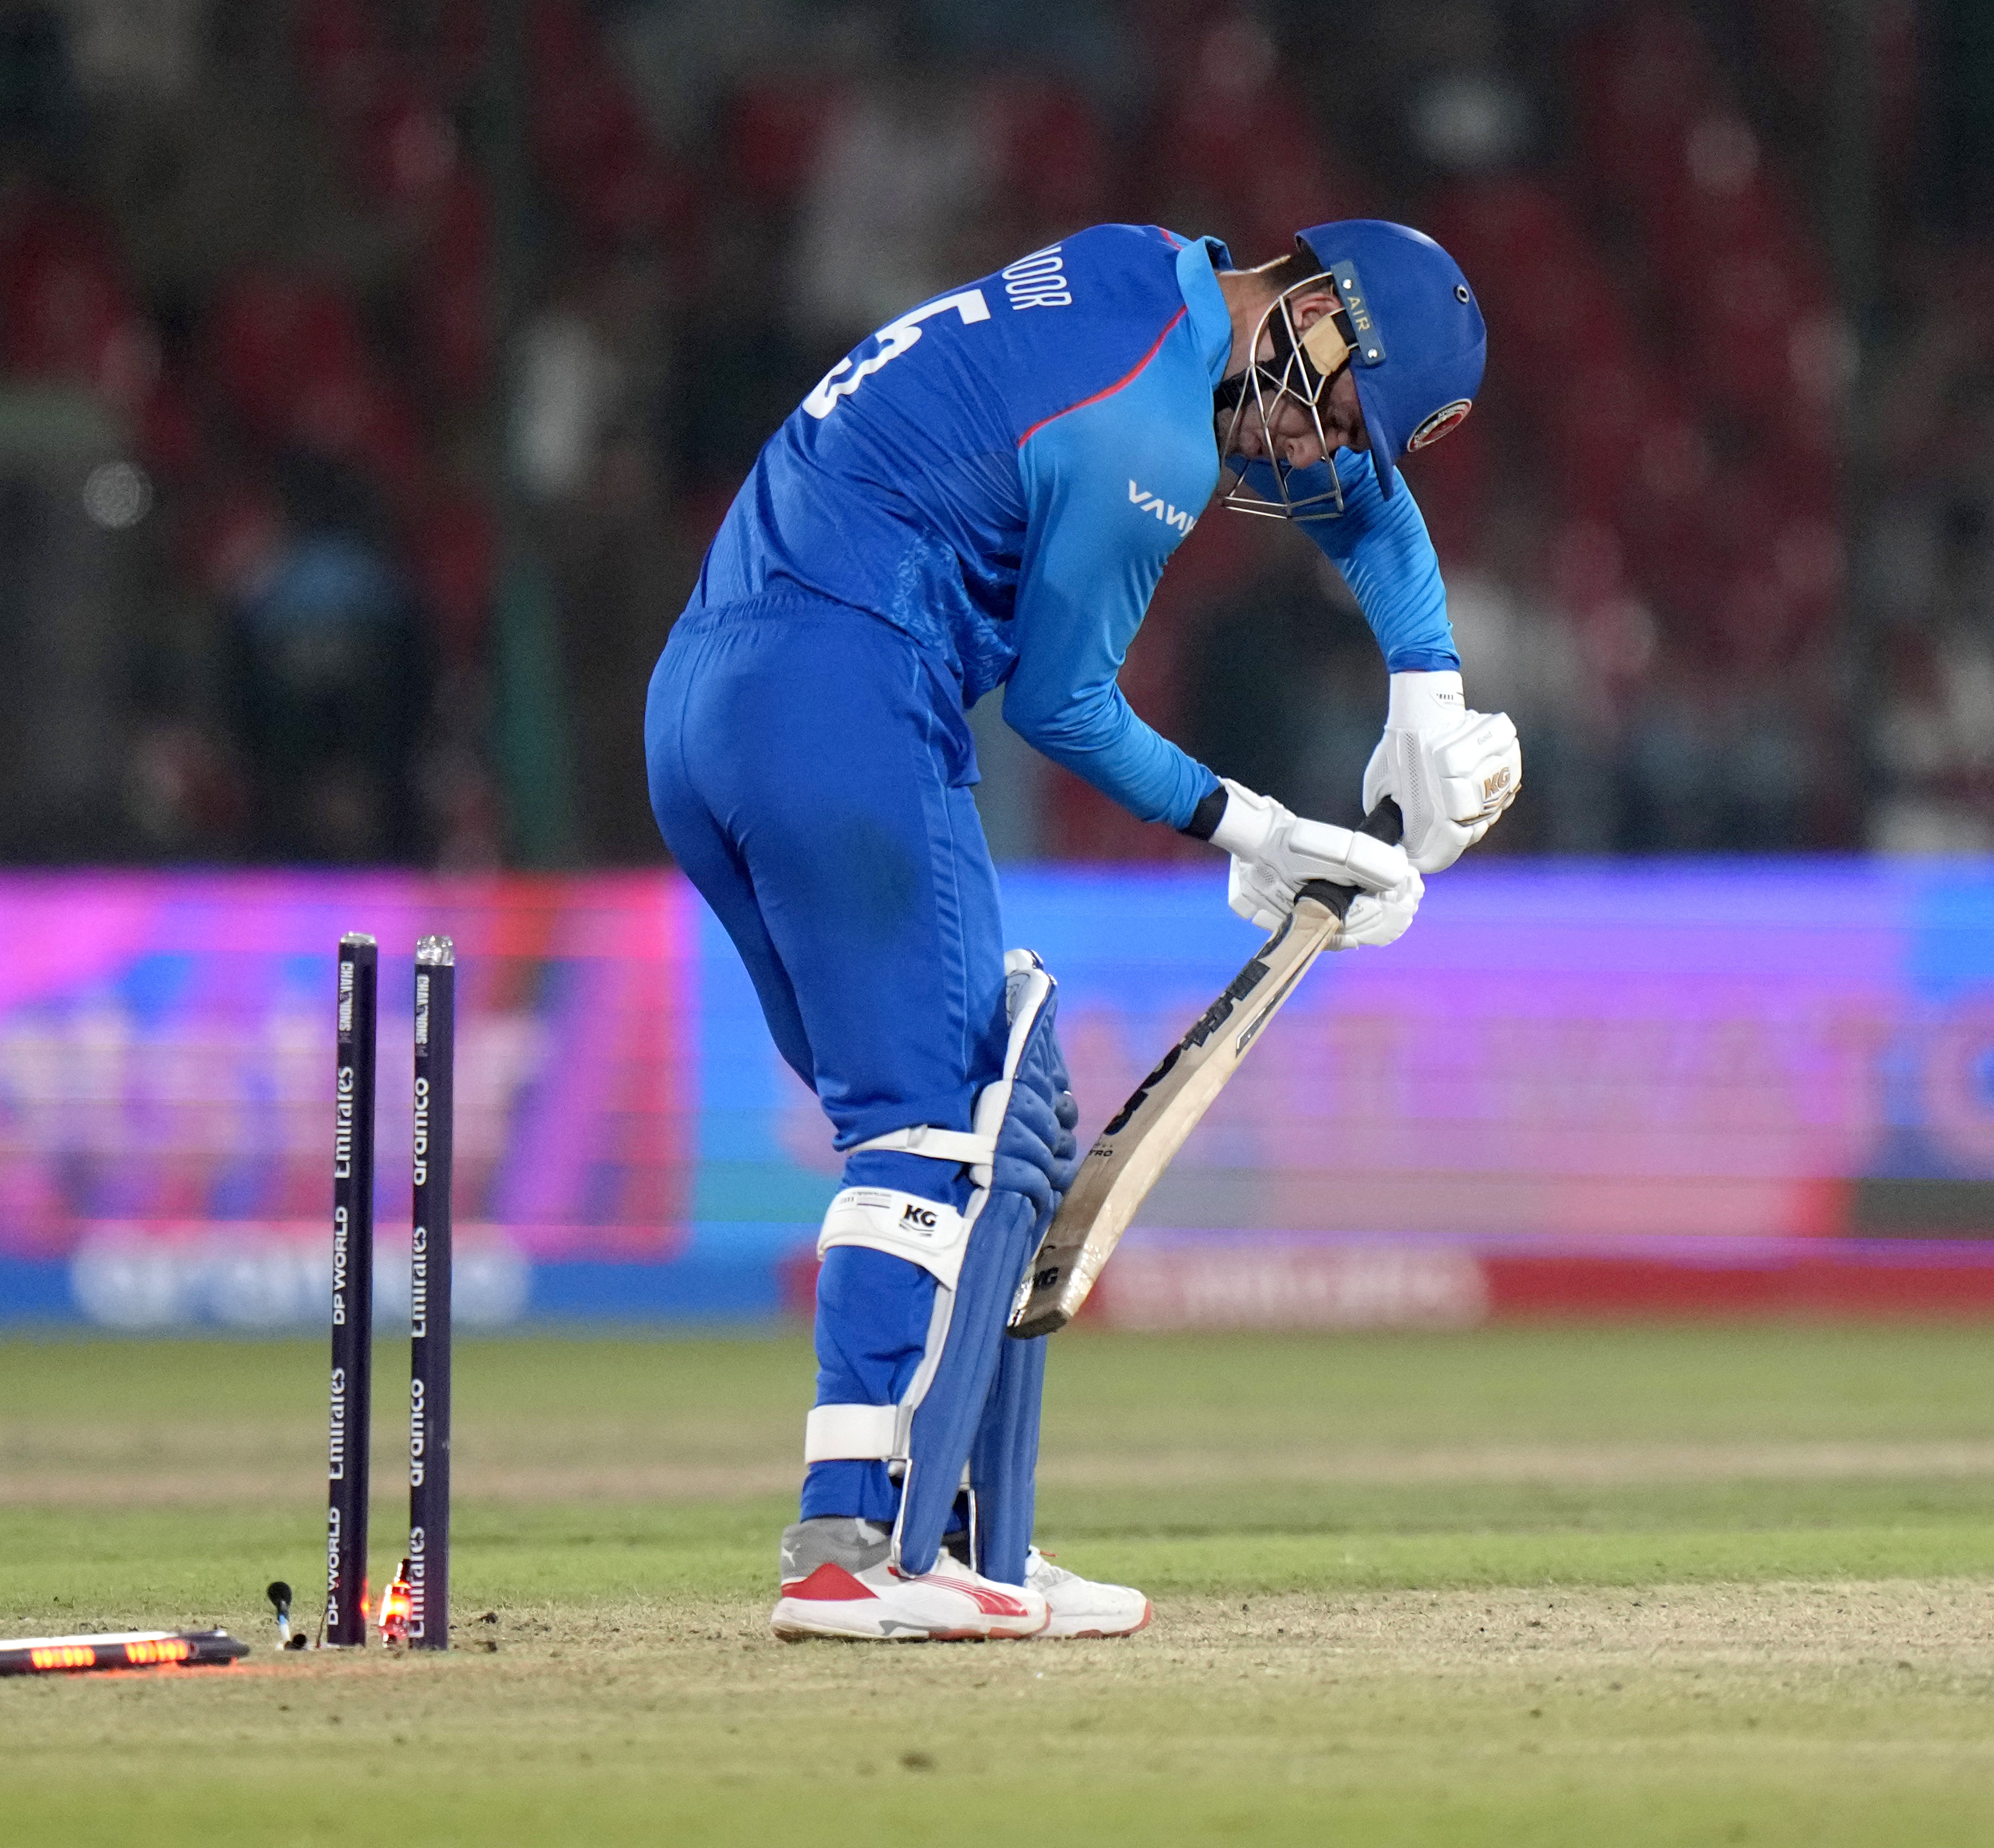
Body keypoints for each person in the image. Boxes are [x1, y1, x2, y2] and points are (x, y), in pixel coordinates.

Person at [645, 219, 1522, 1641]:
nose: (1316, 458)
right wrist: (1253, 830)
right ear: (1312, 316)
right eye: (1342, 414)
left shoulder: (1147, 274)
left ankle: (970, 1535)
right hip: (843, 695)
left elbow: (1362, 501)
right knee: (941, 1124)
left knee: (1015, 1114)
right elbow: (1061, 703)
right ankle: (851, 1549)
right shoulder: (1153, 443)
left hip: (711, 699)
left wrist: (1427, 684)